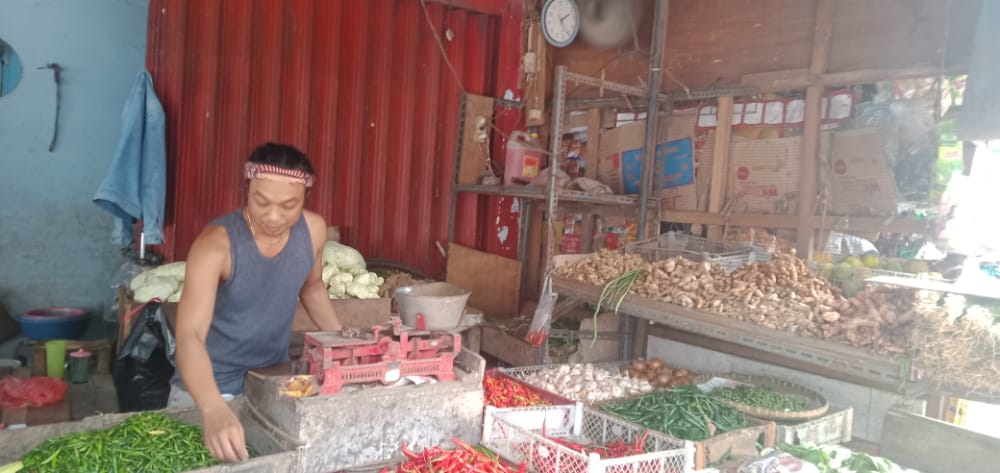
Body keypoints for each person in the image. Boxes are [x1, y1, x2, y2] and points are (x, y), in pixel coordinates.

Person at [172, 143, 343, 463]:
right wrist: (213, 409)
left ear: (305, 197)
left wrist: (343, 343)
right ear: (247, 190)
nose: (274, 216)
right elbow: (189, 336)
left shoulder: (313, 230)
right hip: (209, 387)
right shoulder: (215, 244)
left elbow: (312, 288)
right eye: (261, 202)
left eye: (289, 205)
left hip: (272, 382)